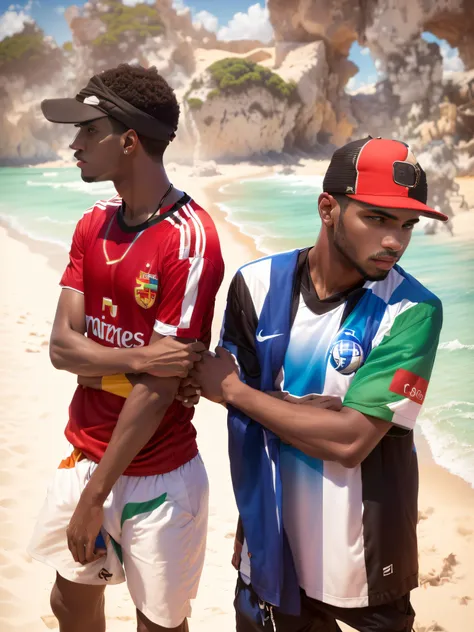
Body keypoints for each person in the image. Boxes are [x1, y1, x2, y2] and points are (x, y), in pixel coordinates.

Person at [187, 137, 448, 632]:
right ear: (328, 207)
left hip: (366, 563)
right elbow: (228, 404)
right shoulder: (255, 285)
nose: (395, 240)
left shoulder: (413, 310)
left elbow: (349, 441)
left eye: (407, 224)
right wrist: (306, 413)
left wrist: (242, 394)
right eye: (377, 218)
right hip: (271, 549)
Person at [27, 64, 224, 632]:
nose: (74, 144)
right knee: (70, 602)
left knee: (158, 624)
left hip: (158, 474)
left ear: (130, 141)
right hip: (82, 451)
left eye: (89, 131)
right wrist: (137, 359)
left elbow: (160, 391)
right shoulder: (92, 225)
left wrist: (97, 495)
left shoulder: (190, 240)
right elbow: (63, 347)